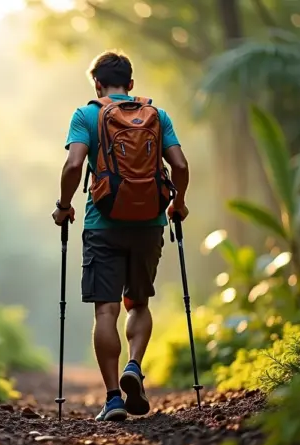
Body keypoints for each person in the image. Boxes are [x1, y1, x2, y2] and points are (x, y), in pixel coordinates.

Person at [52, 50, 190, 422]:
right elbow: (179, 165)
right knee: (139, 303)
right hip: (149, 224)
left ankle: (113, 398)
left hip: (102, 224)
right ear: (131, 84)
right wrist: (178, 203)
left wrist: (64, 206)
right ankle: (134, 365)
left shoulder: (87, 115)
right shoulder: (157, 116)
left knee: (106, 310)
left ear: (97, 84)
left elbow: (73, 164)